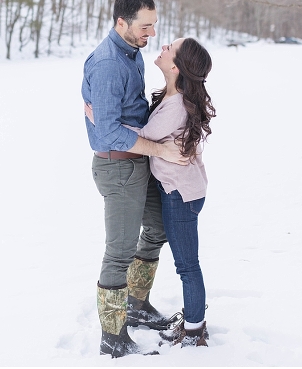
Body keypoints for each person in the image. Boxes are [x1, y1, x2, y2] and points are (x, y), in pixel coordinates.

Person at [85, 36, 216, 349]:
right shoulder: (172, 97)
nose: (164, 44)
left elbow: (142, 134)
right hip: (179, 189)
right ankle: (140, 310)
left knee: (187, 265)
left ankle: (194, 329)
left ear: (175, 66)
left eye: (171, 47)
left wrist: (101, 121)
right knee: (173, 253)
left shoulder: (175, 106)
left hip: (180, 193)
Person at [81, 0, 186, 359]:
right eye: (146, 26)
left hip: (136, 161)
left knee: (158, 227)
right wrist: (159, 148)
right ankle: (113, 336)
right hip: (118, 166)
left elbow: (128, 110)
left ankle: (137, 305)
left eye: (154, 25)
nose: (152, 33)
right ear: (121, 22)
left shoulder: (132, 53)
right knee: (120, 251)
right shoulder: (109, 63)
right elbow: (109, 130)